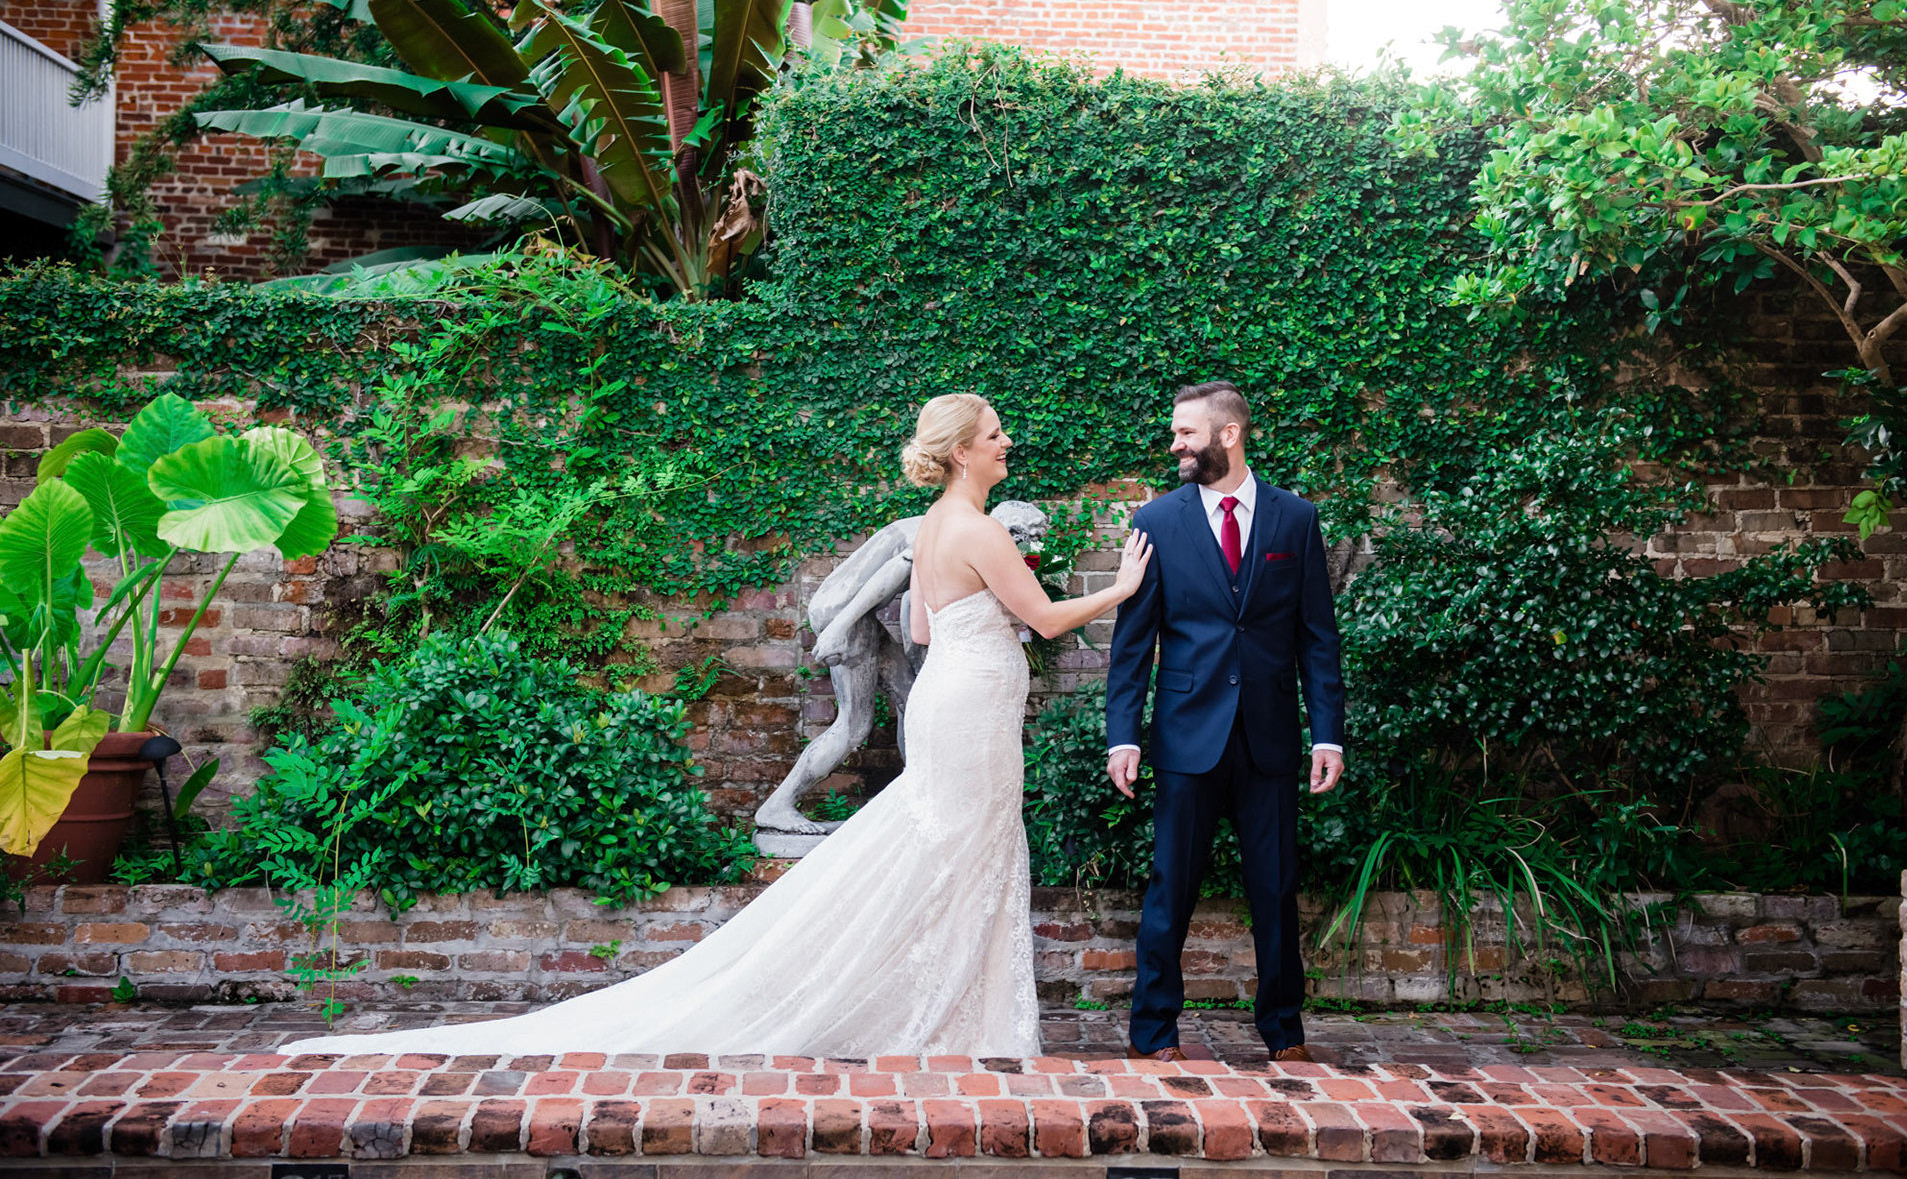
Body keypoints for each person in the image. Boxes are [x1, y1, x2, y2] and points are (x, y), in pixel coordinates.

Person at [281, 392, 1152, 1057]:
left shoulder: (932, 526)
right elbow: (1045, 620)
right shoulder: (978, 528)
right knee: (965, 848)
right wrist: (1121, 585)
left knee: (947, 846)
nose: (1006, 442)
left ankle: (948, 1011)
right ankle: (951, 1017)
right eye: (995, 433)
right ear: (963, 451)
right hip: (971, 707)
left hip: (949, 699)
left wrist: (981, 621)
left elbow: (923, 629)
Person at [1105, 381, 1347, 1064]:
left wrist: (1326, 732)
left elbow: (1317, 636)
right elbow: (1132, 644)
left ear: (1228, 435)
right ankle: (1155, 1031)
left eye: (1186, 433)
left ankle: (1285, 1032)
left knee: (1276, 887)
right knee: (1171, 886)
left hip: (1269, 736)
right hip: (1186, 735)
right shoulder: (1158, 521)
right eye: (1176, 434)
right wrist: (1124, 736)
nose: (1174, 445)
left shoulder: (1295, 519)